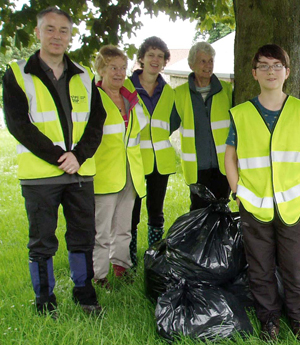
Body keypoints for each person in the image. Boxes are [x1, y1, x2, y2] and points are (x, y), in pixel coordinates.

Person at [2, 7, 105, 316]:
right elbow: (18, 124)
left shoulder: (84, 74)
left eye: (63, 30)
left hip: (80, 174)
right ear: (37, 33)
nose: (57, 36)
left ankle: (84, 294)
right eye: (50, 29)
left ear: (70, 36)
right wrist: (61, 157)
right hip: (40, 176)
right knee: (42, 243)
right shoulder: (18, 73)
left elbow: (96, 121)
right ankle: (45, 301)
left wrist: (79, 156)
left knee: (83, 239)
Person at [224, 44, 300, 342]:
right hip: (254, 204)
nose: (270, 71)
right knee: (260, 267)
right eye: (263, 65)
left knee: (295, 267)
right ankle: (269, 322)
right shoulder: (241, 114)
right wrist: (236, 189)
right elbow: (230, 155)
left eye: (277, 65)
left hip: (292, 204)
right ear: (254, 73)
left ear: (287, 72)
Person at [92, 45, 148, 287]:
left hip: (131, 173)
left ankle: (121, 268)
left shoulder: (131, 97)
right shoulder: (93, 99)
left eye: (123, 68)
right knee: (101, 232)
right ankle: (99, 275)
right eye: (113, 67)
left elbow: (140, 130)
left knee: (124, 228)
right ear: (101, 70)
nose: (119, 73)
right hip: (104, 174)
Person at [125, 37, 176, 266]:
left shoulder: (169, 91)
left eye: (160, 56)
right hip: (134, 159)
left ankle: (154, 257)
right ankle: (130, 258)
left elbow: (172, 121)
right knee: (132, 213)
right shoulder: (126, 87)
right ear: (141, 59)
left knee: (156, 213)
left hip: (161, 160)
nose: (155, 60)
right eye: (151, 54)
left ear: (165, 62)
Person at [171, 42, 232, 210]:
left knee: (221, 210)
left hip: (224, 165)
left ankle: (220, 238)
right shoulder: (180, 94)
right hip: (197, 167)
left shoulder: (226, 90)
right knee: (199, 211)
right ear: (191, 64)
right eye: (203, 61)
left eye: (210, 61)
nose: (208, 65)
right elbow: (168, 125)